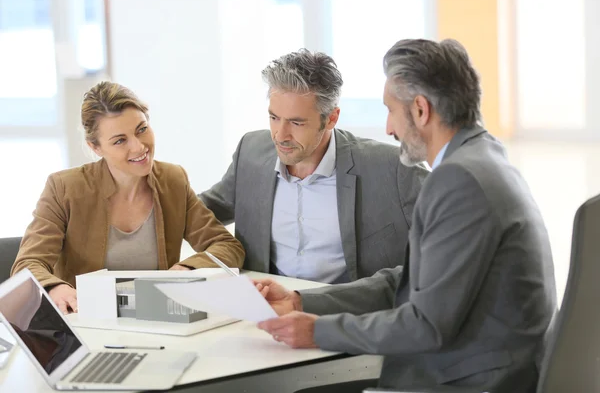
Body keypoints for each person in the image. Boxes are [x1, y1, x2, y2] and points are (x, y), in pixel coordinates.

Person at [255, 39, 557, 393]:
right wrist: (302, 301)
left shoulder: (460, 180)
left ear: (420, 110)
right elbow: (412, 281)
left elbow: (425, 325)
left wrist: (317, 331)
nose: (388, 129)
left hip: (472, 382)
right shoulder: (483, 158)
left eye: (390, 110)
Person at [12, 82, 245, 314]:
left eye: (141, 129)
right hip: (87, 320)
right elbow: (27, 264)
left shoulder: (172, 180)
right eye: (120, 140)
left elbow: (227, 246)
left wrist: (187, 269)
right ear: (96, 147)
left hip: (158, 317)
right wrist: (56, 288)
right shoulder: (65, 188)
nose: (138, 147)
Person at [200, 49, 428, 284]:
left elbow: (454, 222)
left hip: (347, 314)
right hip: (267, 310)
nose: (280, 135)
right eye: (274, 118)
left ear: (331, 118)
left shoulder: (392, 167)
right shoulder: (251, 152)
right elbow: (197, 212)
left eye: (296, 122)